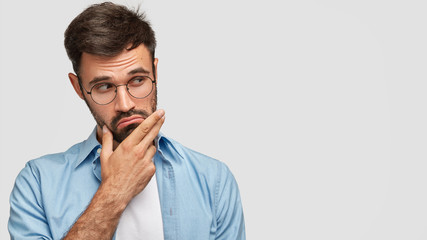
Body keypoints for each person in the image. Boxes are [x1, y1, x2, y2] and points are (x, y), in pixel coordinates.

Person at [8, 2, 245, 239]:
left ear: (155, 72)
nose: (125, 104)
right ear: (78, 87)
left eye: (138, 80)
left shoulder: (213, 179)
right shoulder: (37, 183)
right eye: (104, 86)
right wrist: (115, 191)